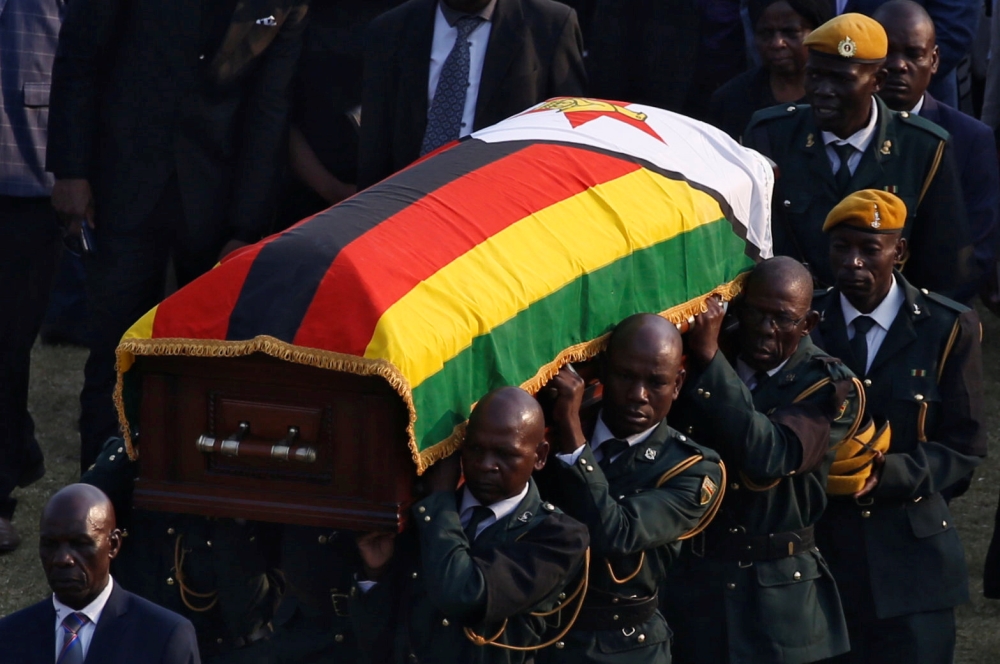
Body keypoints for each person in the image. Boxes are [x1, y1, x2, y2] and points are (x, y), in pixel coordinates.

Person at [46, 0, 309, 472]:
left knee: (209, 363)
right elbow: (80, 54)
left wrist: (247, 227)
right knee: (115, 357)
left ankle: (191, 510)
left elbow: (271, 103)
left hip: (216, 198)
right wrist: (71, 171)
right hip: (122, 183)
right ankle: (100, 508)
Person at [811, 189, 985, 663]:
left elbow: (964, 446)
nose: (853, 263)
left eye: (870, 249)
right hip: (825, 557)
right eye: (841, 248)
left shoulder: (947, 327)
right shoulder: (806, 324)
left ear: (899, 252)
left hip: (915, 564)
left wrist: (892, 474)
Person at [662, 257, 861, 663]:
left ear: (808, 324)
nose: (765, 330)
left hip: (779, 594)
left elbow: (770, 455)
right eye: (755, 313)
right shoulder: (706, 357)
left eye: (782, 319)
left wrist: (712, 362)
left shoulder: (830, 386)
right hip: (701, 584)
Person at [350, 386, 590, 663]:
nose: (486, 464)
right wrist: (376, 574)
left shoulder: (559, 537)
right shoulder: (418, 515)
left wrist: (439, 500)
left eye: (505, 454)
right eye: (475, 449)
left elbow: (462, 595)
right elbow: (378, 639)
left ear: (540, 456)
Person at [744, 13, 975, 298]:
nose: (823, 91)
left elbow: (944, 267)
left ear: (878, 80)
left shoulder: (922, 147)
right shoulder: (771, 135)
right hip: (796, 320)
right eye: (814, 76)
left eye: (841, 79)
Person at [539, 314, 726, 663]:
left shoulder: (693, 469)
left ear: (678, 383)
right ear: (605, 371)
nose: (638, 395)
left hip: (624, 648)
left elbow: (616, 533)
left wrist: (572, 437)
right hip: (539, 639)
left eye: (656, 382)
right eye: (626, 376)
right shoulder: (554, 433)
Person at [81, 437, 282, 663]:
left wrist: (232, 516)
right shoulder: (124, 475)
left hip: (219, 649)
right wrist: (133, 448)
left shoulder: (256, 482)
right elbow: (80, 515)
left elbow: (247, 620)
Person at [356, 0, 586, 189]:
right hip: (411, 204)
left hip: (509, 205)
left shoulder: (550, 24)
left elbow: (570, 135)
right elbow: (375, 143)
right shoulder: (390, 30)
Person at [872, 0, 1000, 303]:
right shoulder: (842, 130)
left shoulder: (970, 140)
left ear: (934, 60)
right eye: (887, 52)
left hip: (933, 317)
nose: (898, 65)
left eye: (913, 54)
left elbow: (976, 253)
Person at [0, 483, 201, 663]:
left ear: (112, 544)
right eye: (50, 544)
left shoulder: (164, 636)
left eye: (80, 544)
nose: (63, 559)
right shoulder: (10, 635)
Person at [0, 0, 63, 552]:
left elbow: (86, 63)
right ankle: (17, 452)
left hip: (31, 183)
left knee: (8, 344)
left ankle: (1, 489)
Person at [710, 0, 830, 139]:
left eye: (790, 32)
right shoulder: (731, 100)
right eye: (766, 33)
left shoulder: (837, 97)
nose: (777, 43)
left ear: (818, 32)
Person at [843, 0, 979, 107]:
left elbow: (952, 33)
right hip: (836, 100)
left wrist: (867, 75)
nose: (898, 65)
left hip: (924, 104)